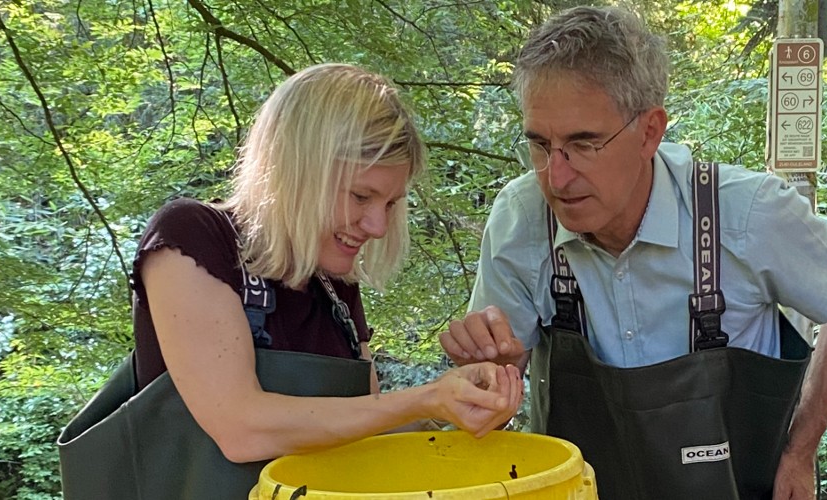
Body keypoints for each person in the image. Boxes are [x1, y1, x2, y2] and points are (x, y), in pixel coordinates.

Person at [439, 6, 827, 500]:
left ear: (650, 131)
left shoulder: (748, 213)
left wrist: (800, 452)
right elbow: (489, 392)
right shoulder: (522, 219)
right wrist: (487, 378)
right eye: (541, 145)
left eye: (583, 144)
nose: (556, 177)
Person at [58, 63, 522, 499]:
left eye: (391, 204)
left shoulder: (333, 287)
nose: (377, 226)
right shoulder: (194, 237)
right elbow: (241, 428)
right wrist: (425, 399)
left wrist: (465, 402)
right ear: (298, 168)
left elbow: (373, 434)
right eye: (362, 196)